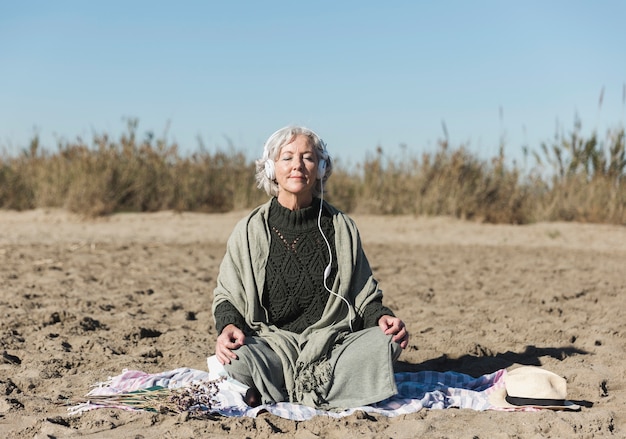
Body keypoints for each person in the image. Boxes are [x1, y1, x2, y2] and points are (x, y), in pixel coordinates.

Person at [212, 125, 409, 410]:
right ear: (270, 168)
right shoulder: (248, 230)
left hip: (333, 346)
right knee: (237, 357)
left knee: (387, 342)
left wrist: (382, 318)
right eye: (287, 157)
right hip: (272, 346)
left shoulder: (342, 228)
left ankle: (279, 389)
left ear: (320, 167)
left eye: (307, 157)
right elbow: (226, 295)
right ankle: (320, 388)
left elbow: (365, 295)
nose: (297, 166)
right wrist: (229, 326)